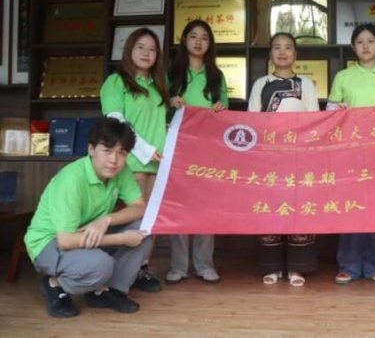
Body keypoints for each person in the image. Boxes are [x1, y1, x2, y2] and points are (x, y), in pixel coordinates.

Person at [24, 118, 152, 318]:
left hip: (87, 233)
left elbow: (139, 207)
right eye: (107, 150)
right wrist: (120, 238)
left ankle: (107, 291)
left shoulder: (120, 171)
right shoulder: (72, 180)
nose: (114, 160)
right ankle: (55, 285)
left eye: (122, 153)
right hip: (49, 243)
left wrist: (106, 220)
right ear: (91, 149)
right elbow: (66, 241)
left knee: (145, 227)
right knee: (100, 264)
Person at [327, 24, 375, 285]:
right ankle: (347, 265)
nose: (365, 46)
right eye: (360, 42)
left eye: (370, 41)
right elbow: (329, 109)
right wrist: (337, 108)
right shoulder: (343, 77)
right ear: (353, 47)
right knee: (349, 208)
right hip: (349, 152)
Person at [100, 27, 171, 292]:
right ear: (129, 49)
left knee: (151, 219)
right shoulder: (116, 82)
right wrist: (144, 149)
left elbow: (160, 123)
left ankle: (141, 268)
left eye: (152, 49)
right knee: (132, 218)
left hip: (157, 164)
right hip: (131, 162)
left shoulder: (157, 86)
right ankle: (114, 272)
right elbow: (116, 121)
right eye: (141, 47)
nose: (146, 53)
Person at [248, 32, 320, 286]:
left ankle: (298, 268)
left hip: (299, 159)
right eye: (276, 47)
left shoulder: (306, 85)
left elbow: (315, 122)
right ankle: (273, 266)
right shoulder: (261, 84)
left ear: (295, 54)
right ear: (270, 53)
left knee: (298, 211)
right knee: (270, 211)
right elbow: (252, 122)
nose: (282, 52)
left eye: (288, 47)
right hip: (269, 159)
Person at [165, 19, 228, 284]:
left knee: (206, 206)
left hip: (207, 150)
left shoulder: (217, 75)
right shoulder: (172, 73)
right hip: (178, 149)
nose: (199, 41)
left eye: (204, 37)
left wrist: (219, 109)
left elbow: (224, 108)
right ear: (185, 40)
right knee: (178, 206)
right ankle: (179, 266)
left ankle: (204, 264)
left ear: (210, 43)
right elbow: (159, 106)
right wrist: (171, 101)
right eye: (193, 36)